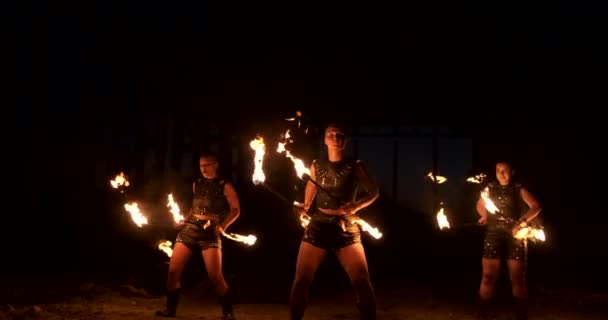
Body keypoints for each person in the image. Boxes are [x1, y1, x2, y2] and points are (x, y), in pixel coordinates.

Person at [290, 123, 380, 320]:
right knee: (301, 281)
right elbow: (312, 187)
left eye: (340, 135)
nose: (336, 137)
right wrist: (304, 207)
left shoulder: (355, 165)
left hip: (346, 226)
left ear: (345, 140)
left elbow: (374, 192)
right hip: (318, 226)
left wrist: (355, 207)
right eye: (331, 134)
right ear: (324, 139)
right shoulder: (316, 165)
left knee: (362, 282)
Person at [156, 152, 241, 319]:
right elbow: (193, 208)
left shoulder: (225, 185)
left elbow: (236, 209)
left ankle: (228, 312)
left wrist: (223, 226)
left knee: (215, 277)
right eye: (201, 165)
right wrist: (184, 220)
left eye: (207, 165)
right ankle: (170, 309)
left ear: (216, 165)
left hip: (210, 231)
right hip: (190, 228)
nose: (204, 168)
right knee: (173, 271)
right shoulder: (197, 183)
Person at [475, 160, 542, 320]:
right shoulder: (489, 188)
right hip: (493, 233)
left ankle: (521, 315)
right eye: (498, 170)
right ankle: (481, 314)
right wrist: (485, 214)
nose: (501, 173)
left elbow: (536, 206)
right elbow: (480, 205)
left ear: (512, 171)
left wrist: (522, 222)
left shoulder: (518, 188)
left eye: (504, 170)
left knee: (517, 278)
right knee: (487, 276)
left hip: (516, 234)